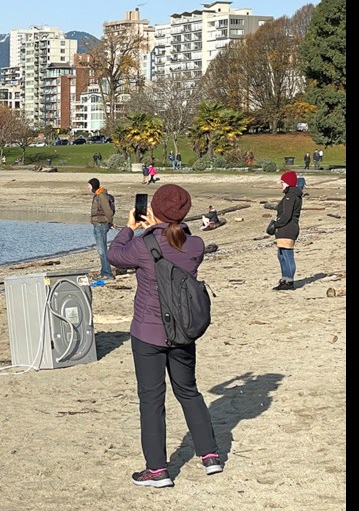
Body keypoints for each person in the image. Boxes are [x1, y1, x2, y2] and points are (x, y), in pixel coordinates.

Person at [106, 184, 222, 488]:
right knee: (188, 391)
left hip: (148, 332)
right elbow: (176, 240)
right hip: (183, 331)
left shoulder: (143, 245)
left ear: (153, 210)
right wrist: (156, 226)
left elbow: (114, 256)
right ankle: (210, 455)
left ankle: (157, 470)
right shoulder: (195, 245)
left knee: (151, 399)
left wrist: (131, 227)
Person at [272, 171, 303, 291]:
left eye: (283, 182)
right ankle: (285, 279)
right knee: (281, 255)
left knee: (287, 255)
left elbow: (286, 215)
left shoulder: (290, 196)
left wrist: (275, 224)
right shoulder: (291, 195)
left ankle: (289, 281)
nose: (281, 185)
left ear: (288, 183)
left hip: (288, 228)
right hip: (287, 227)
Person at [88, 178, 115, 281]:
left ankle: (107, 273)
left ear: (93, 186)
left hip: (100, 225)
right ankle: (105, 271)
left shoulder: (102, 196)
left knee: (102, 250)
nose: (88, 187)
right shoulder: (98, 195)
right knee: (102, 250)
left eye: (89, 185)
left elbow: (108, 211)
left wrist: (110, 222)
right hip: (98, 225)